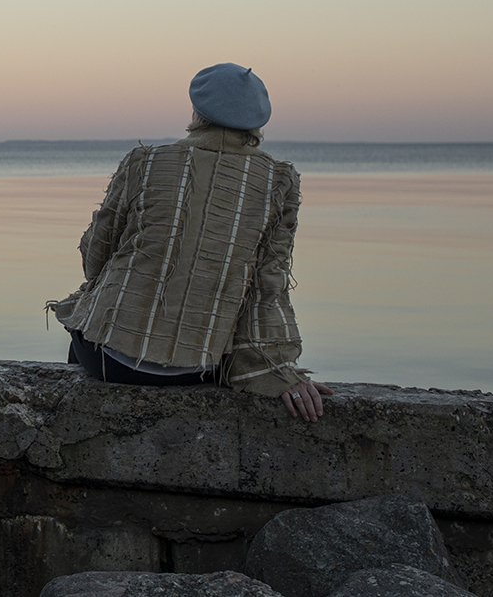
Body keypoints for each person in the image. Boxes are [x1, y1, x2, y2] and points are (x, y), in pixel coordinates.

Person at [47, 63, 332, 421]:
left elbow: (96, 258)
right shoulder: (279, 181)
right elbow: (268, 283)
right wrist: (277, 369)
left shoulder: (145, 161)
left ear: (198, 110)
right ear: (257, 121)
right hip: (198, 368)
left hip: (110, 359)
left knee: (85, 323)